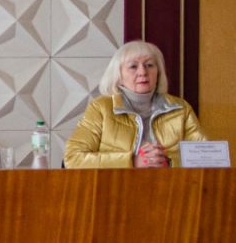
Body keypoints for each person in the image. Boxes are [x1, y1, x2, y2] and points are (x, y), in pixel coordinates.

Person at [64, 40, 206, 168]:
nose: (143, 72)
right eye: (133, 66)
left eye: (149, 65)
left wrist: (168, 162)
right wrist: (133, 161)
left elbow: (205, 159)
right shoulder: (101, 108)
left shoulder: (180, 109)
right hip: (114, 186)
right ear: (118, 76)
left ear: (158, 73)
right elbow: (73, 158)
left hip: (170, 186)